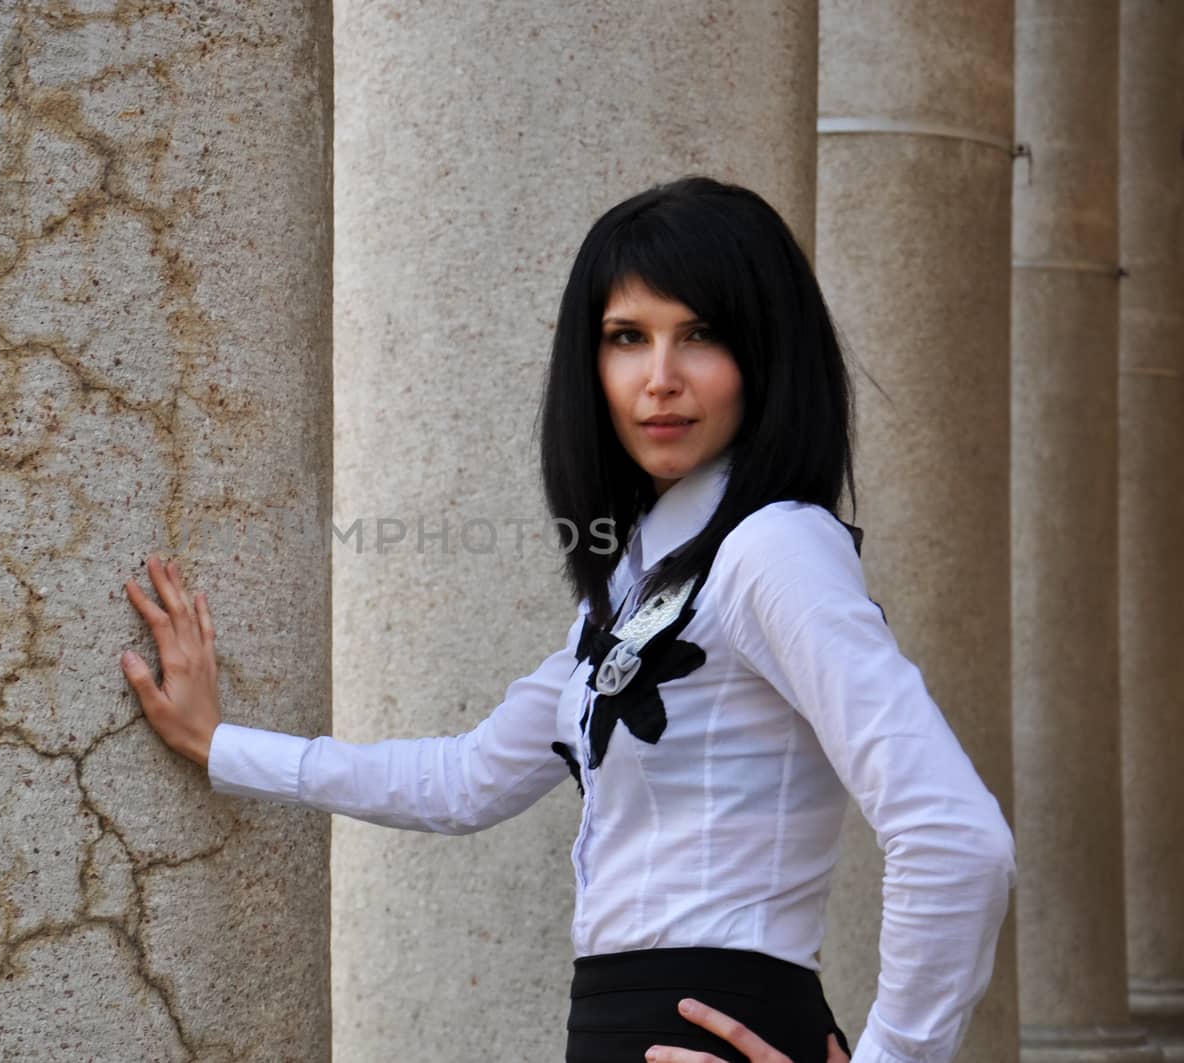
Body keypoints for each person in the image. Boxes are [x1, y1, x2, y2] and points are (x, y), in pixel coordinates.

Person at [119, 176, 1016, 1063]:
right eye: (627, 337)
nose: (659, 379)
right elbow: (465, 778)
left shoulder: (773, 549)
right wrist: (223, 743)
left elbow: (955, 837)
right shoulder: (637, 583)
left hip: (713, 1023)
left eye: (700, 334)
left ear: (766, 356)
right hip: (619, 1026)